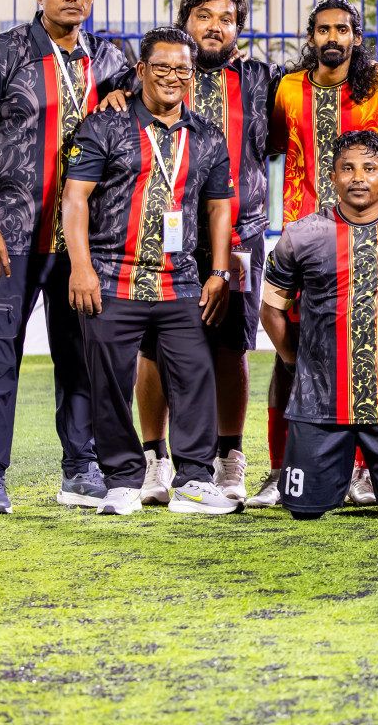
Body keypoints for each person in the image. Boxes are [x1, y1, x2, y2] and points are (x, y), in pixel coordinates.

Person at [0, 0, 128, 513]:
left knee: (82, 356)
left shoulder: (110, 59)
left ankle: (80, 468)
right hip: (10, 236)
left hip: (84, 242)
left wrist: (125, 94)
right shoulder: (1, 54)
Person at [97, 0, 281, 507]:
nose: (215, 26)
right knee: (153, 347)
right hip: (162, 236)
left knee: (231, 345)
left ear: (238, 30)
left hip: (237, 234)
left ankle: (228, 459)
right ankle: (155, 460)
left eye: (227, 18)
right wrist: (114, 92)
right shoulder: (146, 76)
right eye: (204, 16)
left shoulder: (262, 79)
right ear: (186, 23)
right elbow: (109, 100)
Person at [61, 26, 237, 515]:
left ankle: (195, 480)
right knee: (110, 385)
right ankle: (122, 481)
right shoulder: (105, 125)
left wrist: (219, 272)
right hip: (110, 278)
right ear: (140, 70)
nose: (172, 77)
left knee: (196, 378)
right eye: (161, 67)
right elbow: (75, 199)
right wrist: (81, 268)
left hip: (180, 281)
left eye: (183, 69)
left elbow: (220, 207)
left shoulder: (207, 136)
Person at [265, 0, 378, 506]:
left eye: (342, 29)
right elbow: (274, 145)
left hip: (368, 241)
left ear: (356, 38)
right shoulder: (288, 88)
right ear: (311, 37)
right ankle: (280, 469)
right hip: (303, 241)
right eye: (323, 29)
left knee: (367, 352)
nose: (332, 38)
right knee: (289, 357)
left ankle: (363, 471)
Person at [259, 131, 378, 520]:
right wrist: (296, 364)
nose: (358, 177)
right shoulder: (300, 235)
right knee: (304, 511)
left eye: (370, 168)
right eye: (348, 168)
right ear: (332, 177)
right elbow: (271, 311)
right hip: (319, 405)